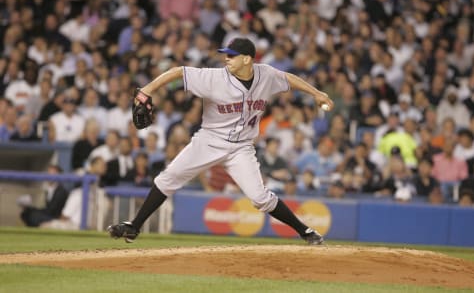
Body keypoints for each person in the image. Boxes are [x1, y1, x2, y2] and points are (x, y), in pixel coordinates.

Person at [108, 38, 334, 245]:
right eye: (226, 54)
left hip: (242, 148)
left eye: (232, 55)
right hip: (209, 140)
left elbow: (288, 79)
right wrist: (147, 90)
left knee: (260, 198)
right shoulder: (214, 77)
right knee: (169, 178)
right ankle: (134, 226)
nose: (226, 58)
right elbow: (178, 72)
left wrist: (316, 93)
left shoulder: (265, 74)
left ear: (247, 59)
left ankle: (305, 231)